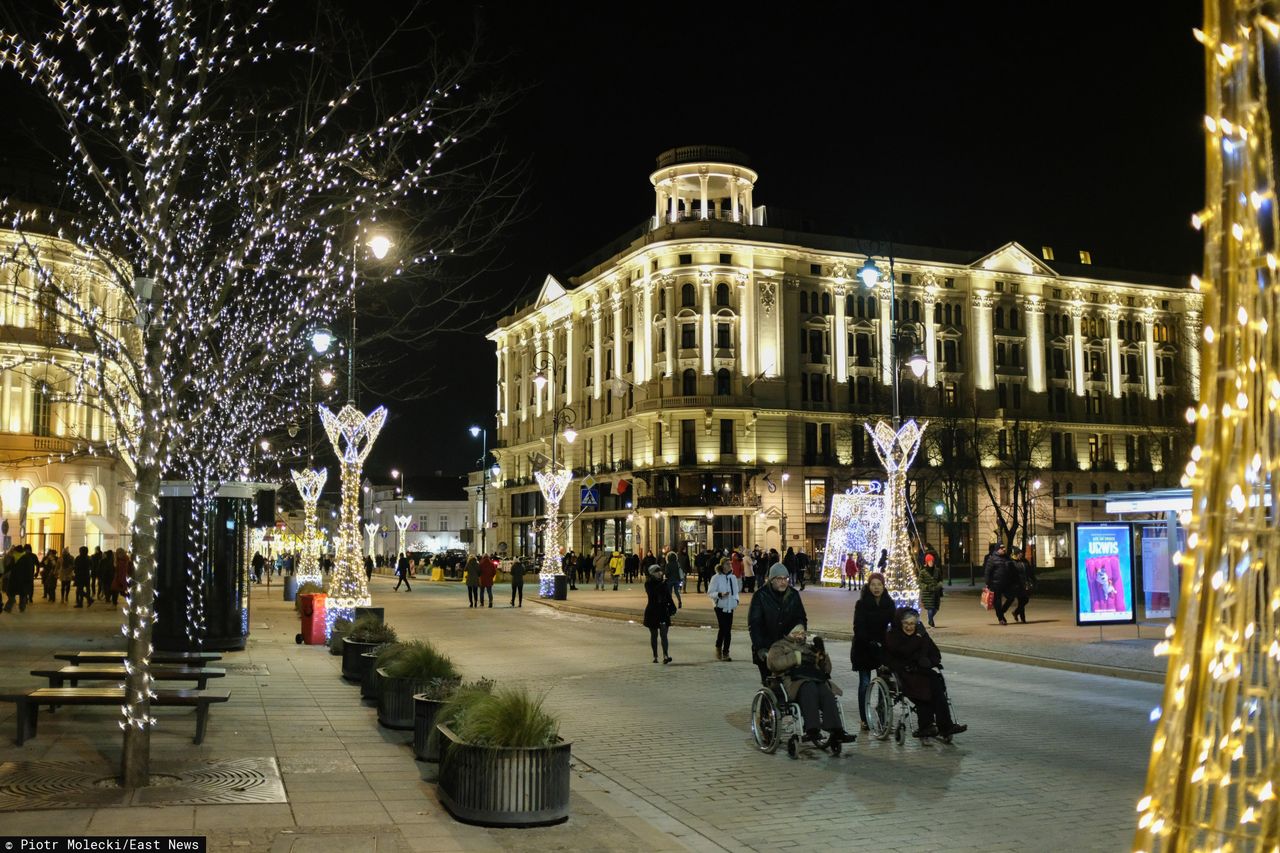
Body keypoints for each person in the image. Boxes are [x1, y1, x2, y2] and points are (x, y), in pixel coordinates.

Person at [883, 607, 967, 739]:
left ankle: (946, 726)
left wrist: (929, 661)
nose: (910, 627)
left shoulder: (922, 634)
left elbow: (935, 653)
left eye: (912, 624)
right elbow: (903, 652)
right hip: (904, 672)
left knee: (938, 691)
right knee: (923, 690)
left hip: (923, 671)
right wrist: (917, 638)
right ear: (900, 623)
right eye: (906, 624)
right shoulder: (893, 635)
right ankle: (925, 726)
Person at [767, 624, 851, 751]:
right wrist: (796, 657)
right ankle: (812, 729)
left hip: (814, 678)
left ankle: (836, 729)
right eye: (797, 633)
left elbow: (826, 670)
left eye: (802, 633)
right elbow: (774, 664)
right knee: (809, 687)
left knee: (826, 692)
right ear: (789, 633)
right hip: (793, 681)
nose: (800, 635)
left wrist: (822, 656)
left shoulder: (809, 647)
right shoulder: (779, 646)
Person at [850, 571, 897, 731]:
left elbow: (894, 623)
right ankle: (864, 718)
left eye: (879, 585)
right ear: (868, 586)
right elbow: (858, 627)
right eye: (873, 585)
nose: (876, 588)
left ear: (884, 587)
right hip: (864, 647)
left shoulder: (889, 603)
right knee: (864, 683)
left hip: (882, 648)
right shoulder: (862, 604)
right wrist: (869, 641)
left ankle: (883, 717)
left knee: (883, 682)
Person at [747, 564, 808, 685]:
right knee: (771, 685)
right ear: (771, 580)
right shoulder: (760, 596)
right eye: (779, 579)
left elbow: (800, 617)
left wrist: (800, 627)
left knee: (791, 685)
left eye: (786, 578)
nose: (783, 582)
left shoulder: (793, 595)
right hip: (767, 649)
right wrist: (760, 648)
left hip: (788, 648)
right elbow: (755, 624)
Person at [707, 556, 740, 661]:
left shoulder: (733, 578)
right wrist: (720, 594)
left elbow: (736, 592)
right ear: (722, 566)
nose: (730, 565)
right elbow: (710, 593)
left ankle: (726, 652)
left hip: (730, 606)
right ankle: (719, 648)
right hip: (719, 606)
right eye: (727, 564)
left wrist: (736, 600)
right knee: (723, 628)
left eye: (730, 564)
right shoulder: (716, 577)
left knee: (728, 629)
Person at [643, 564, 676, 663]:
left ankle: (666, 655)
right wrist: (662, 584)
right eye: (657, 572)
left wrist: (673, 606)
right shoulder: (648, 583)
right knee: (654, 635)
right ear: (652, 574)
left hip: (663, 611)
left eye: (660, 571)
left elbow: (668, 596)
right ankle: (655, 656)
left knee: (664, 634)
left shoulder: (663, 583)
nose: (660, 573)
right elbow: (652, 593)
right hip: (652, 611)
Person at [983, 543, 1020, 625]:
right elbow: (987, 572)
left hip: (1007, 583)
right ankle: (1000, 618)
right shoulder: (992, 559)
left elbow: (1012, 570)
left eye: (1004, 548)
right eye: (1001, 548)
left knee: (1011, 597)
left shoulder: (1007, 558)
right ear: (997, 550)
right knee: (997, 602)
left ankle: (1001, 612)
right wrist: (988, 584)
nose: (1004, 549)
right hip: (995, 584)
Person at [5, 543, 37, 612]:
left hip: (17, 580)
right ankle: (20, 607)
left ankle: (10, 607)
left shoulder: (17, 557)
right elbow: (30, 569)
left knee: (13, 594)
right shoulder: (26, 558)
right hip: (22, 580)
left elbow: (9, 567)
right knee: (21, 594)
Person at [1010, 551, 1036, 623]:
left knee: (1025, 600)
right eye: (1019, 554)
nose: (1020, 556)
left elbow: (1029, 571)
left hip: (1025, 583)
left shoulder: (1025, 561)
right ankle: (1022, 618)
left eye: (1021, 554)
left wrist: (1033, 579)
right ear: (1016, 555)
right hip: (1018, 584)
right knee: (1022, 600)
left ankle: (1016, 613)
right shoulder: (1013, 562)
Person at [917, 556, 943, 628]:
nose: (931, 563)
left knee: (936, 608)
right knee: (930, 608)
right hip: (927, 593)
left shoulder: (937, 570)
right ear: (926, 562)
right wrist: (926, 587)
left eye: (931, 561)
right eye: (929, 561)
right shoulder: (923, 572)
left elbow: (940, 580)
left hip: (935, 592)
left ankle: (930, 619)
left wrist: (939, 585)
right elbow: (920, 582)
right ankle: (931, 621)